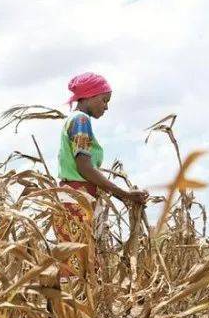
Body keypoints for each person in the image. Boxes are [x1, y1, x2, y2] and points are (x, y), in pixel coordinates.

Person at [53, 72, 148, 278]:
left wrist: (121, 196)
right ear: (89, 96)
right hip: (77, 200)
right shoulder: (80, 121)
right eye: (104, 100)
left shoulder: (75, 120)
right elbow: (84, 167)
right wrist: (124, 193)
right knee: (80, 269)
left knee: (77, 267)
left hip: (75, 198)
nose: (106, 107)